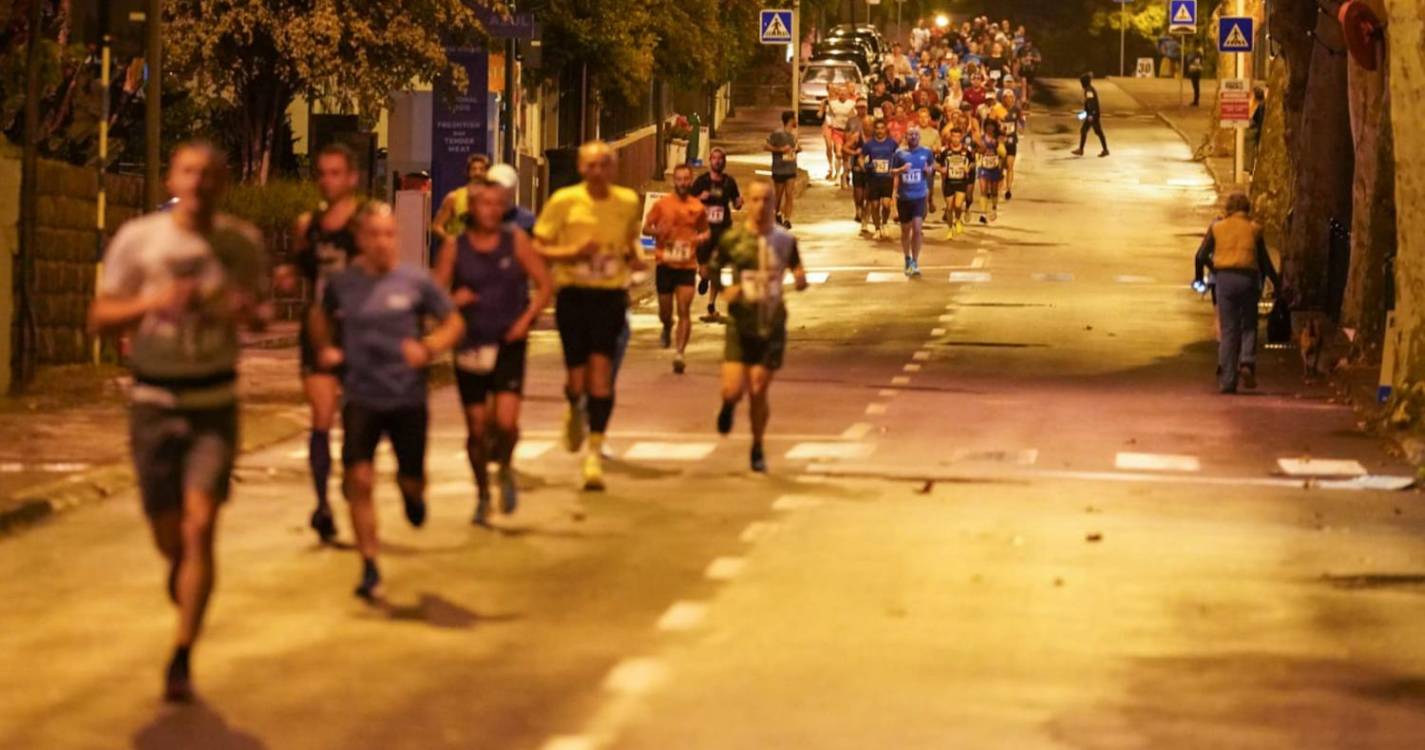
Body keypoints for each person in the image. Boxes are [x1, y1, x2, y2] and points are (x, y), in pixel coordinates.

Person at [88, 142, 269, 702]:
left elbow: (260, 314)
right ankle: (182, 570)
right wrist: (154, 303)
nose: (199, 182)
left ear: (222, 183)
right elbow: (99, 316)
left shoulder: (241, 243)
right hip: (153, 400)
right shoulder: (139, 240)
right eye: (189, 171)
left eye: (210, 174)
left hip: (213, 401)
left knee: (199, 526)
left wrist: (241, 311)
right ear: (172, 178)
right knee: (170, 534)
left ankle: (182, 654)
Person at [310, 202, 464, 599]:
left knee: (411, 478)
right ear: (360, 239)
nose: (382, 242)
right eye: (374, 234)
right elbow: (320, 317)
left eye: (389, 234)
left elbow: (453, 322)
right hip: (361, 395)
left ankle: (412, 494)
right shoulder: (343, 283)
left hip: (406, 396)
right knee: (359, 479)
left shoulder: (415, 281)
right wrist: (326, 349)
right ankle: (369, 564)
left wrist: (428, 348)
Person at [434, 182, 552, 525]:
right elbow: (433, 295)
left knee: (506, 424)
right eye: (484, 203)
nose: (490, 210)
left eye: (497, 204)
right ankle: (483, 493)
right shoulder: (455, 247)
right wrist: (453, 302)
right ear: (471, 208)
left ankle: (505, 466)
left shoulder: (515, 241)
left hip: (508, 342)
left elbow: (545, 285)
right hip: (470, 343)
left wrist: (525, 321)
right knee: (476, 428)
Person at [534, 141, 646, 491]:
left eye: (604, 164)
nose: (598, 171)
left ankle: (594, 453)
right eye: (591, 165)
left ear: (613, 168)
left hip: (609, 296)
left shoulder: (627, 201)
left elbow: (630, 239)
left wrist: (635, 256)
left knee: (601, 378)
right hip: (574, 295)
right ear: (581, 168)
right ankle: (573, 406)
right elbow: (538, 246)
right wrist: (573, 252)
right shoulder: (564, 201)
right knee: (577, 380)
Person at [279, 142, 362, 544]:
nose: (328, 181)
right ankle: (322, 504)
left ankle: (352, 471)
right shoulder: (307, 225)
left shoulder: (367, 222)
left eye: (336, 173)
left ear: (352, 178)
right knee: (322, 417)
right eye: (322, 173)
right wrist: (288, 275)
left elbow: (386, 269)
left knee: (357, 418)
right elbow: (299, 266)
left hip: (360, 332)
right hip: (319, 330)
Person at [711, 179, 810, 473]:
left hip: (771, 323)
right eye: (755, 199)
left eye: (767, 200)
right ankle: (728, 405)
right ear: (747, 202)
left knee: (758, 388)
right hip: (740, 323)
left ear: (773, 204)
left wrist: (800, 278)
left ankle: (757, 446)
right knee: (732, 389)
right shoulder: (734, 239)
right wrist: (726, 290)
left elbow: (796, 266)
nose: (761, 205)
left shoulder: (785, 240)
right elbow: (713, 268)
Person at [1193, 193, 1281, 394]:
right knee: (1249, 324)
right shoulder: (1254, 229)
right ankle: (1247, 362)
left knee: (1228, 330)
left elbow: (1200, 256)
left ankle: (1228, 381)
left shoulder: (1217, 227)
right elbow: (1264, 262)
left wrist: (1205, 274)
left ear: (1228, 209)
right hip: (1248, 279)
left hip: (1224, 279)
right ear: (1247, 209)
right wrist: (1277, 284)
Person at [643, 164, 711, 374]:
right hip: (665, 264)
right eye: (679, 179)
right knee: (665, 311)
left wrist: (699, 239)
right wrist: (657, 233)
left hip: (686, 265)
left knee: (684, 309)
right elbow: (646, 228)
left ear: (690, 180)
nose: (682, 183)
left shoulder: (697, 207)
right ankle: (666, 325)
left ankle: (680, 354)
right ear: (674, 180)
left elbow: (706, 231)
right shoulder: (662, 204)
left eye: (686, 179)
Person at [692, 148, 743, 322]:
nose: (718, 161)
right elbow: (688, 203)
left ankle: (711, 306)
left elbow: (736, 203)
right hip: (704, 231)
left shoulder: (729, 182)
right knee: (705, 269)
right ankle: (704, 278)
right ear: (710, 160)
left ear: (724, 161)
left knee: (716, 267)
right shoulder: (701, 181)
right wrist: (700, 198)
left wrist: (739, 203)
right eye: (714, 158)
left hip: (722, 230)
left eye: (721, 158)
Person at [892, 127, 936, 277]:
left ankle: (915, 262)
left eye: (916, 134)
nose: (913, 137)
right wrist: (901, 170)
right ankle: (907, 258)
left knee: (917, 229)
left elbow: (932, 166)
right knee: (905, 231)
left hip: (919, 196)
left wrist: (929, 170)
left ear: (919, 137)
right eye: (911, 134)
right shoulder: (899, 153)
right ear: (906, 137)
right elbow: (891, 172)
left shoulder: (926, 152)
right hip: (904, 198)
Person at [433, 153, 491, 245]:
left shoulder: (493, 199)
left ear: (487, 173)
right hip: (460, 252)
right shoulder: (454, 197)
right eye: (474, 169)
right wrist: (453, 242)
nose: (477, 173)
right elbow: (437, 226)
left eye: (482, 169)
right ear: (468, 172)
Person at [862, 118, 899, 241]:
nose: (879, 131)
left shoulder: (892, 143)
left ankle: (884, 223)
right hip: (874, 178)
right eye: (877, 128)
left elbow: (899, 156)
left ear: (885, 129)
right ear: (874, 130)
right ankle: (877, 228)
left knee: (886, 204)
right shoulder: (869, 144)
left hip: (887, 178)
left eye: (882, 128)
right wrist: (865, 167)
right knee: (875, 205)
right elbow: (861, 158)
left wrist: (896, 169)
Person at [938, 125, 976, 238]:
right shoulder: (945, 151)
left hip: (961, 181)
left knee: (958, 206)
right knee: (949, 207)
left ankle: (958, 219)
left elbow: (973, 162)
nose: (955, 139)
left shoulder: (967, 150)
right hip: (949, 182)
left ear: (961, 137)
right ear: (950, 137)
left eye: (958, 137)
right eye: (953, 136)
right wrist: (941, 169)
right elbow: (937, 164)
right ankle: (950, 229)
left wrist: (968, 168)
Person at [766, 110, 800, 228]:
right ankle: (776, 214)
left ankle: (787, 219)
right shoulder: (778, 134)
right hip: (779, 168)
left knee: (789, 194)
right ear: (791, 120)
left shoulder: (794, 135)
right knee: (778, 196)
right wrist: (780, 150)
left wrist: (797, 149)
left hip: (791, 168)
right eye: (795, 118)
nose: (796, 121)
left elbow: (795, 147)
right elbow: (766, 146)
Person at [486, 163, 537, 234]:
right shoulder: (478, 219)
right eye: (497, 187)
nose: (502, 193)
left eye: (506, 189)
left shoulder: (526, 220)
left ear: (514, 189)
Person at [823, 86, 857, 185]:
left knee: (846, 156)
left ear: (847, 94)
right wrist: (830, 123)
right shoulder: (833, 104)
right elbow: (829, 114)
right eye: (841, 93)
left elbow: (854, 117)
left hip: (848, 132)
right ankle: (837, 176)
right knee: (838, 154)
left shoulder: (852, 104)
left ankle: (845, 176)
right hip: (837, 131)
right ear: (838, 94)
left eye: (844, 93)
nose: (842, 95)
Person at [976, 122, 1008, 224]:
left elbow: (1003, 154)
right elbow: (976, 151)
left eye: (991, 127)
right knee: (983, 190)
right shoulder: (981, 139)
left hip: (994, 167)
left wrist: (997, 145)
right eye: (988, 127)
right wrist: (981, 149)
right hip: (983, 167)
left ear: (994, 129)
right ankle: (983, 214)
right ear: (985, 128)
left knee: (994, 191)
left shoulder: (998, 140)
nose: (990, 129)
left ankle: (994, 207)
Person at [1072, 72, 1109, 157]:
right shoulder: (1089, 89)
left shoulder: (1089, 90)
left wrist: (1091, 115)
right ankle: (1081, 149)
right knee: (1085, 130)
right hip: (1091, 113)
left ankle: (1105, 150)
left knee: (1097, 132)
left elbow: (1091, 103)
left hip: (1092, 114)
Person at [1000, 89, 1025, 201]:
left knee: (1010, 165)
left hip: (1011, 141)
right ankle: (998, 187)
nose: (1008, 100)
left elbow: (1021, 120)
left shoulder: (1016, 110)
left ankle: (1008, 189)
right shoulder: (999, 109)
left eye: (1011, 98)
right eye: (1006, 98)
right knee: (1001, 166)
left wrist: (1021, 128)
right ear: (1003, 99)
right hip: (1001, 141)